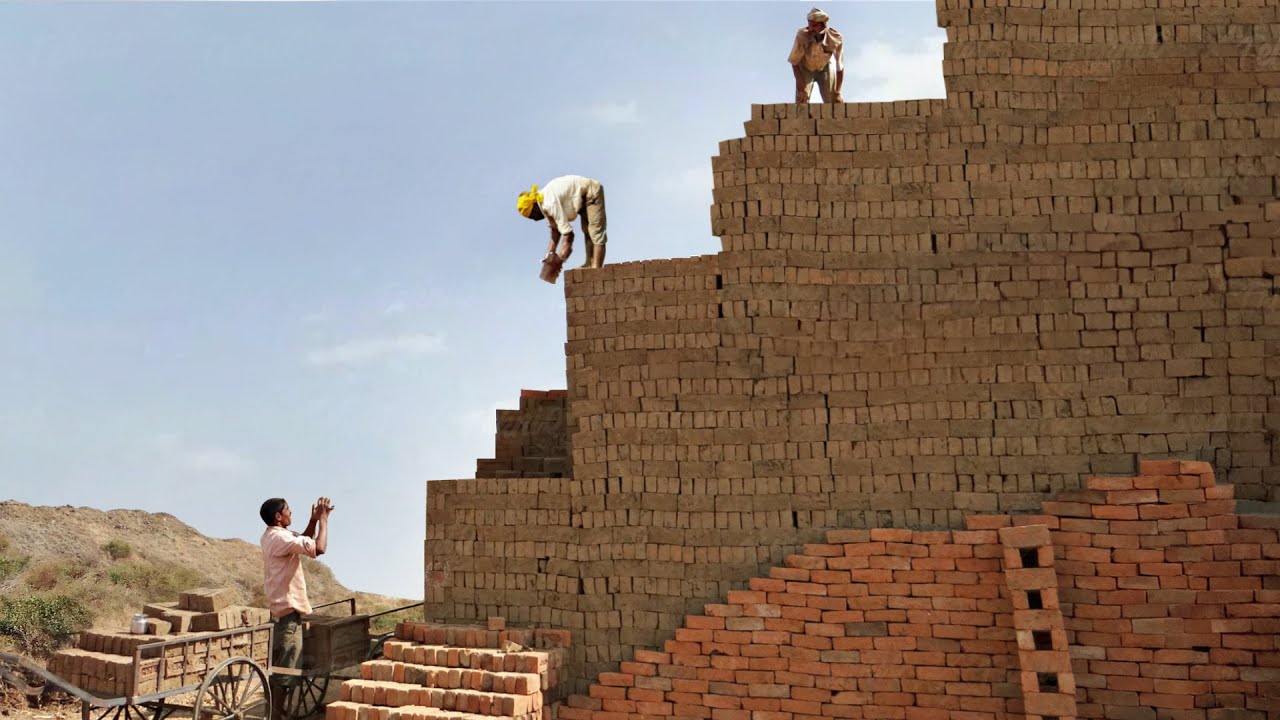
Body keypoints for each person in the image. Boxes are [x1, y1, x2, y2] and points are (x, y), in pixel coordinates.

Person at [259, 496, 333, 720]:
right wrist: (323, 521)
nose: (292, 513)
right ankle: (276, 717)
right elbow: (319, 548)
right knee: (285, 674)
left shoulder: (270, 536)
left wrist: (311, 522)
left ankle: (275, 713)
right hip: (288, 616)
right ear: (278, 517)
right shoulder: (280, 538)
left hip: (280, 613)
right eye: (288, 510)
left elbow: (300, 540)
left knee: (281, 671)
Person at [516, 175, 608, 269]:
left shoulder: (549, 203)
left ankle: (596, 269)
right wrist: (549, 256)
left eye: (532, 216)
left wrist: (559, 260)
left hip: (591, 192)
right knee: (587, 231)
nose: (534, 220)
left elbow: (568, 235)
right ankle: (589, 264)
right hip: (581, 199)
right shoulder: (543, 202)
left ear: (535, 206)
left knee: (595, 232)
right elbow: (555, 230)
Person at [788, 7, 845, 104]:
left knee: (833, 102)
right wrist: (801, 89)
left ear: (822, 25)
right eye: (809, 25)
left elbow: (840, 68)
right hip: (805, 68)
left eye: (814, 26)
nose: (811, 29)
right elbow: (794, 63)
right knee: (801, 100)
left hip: (825, 68)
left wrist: (838, 92)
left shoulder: (835, 38)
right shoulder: (802, 36)